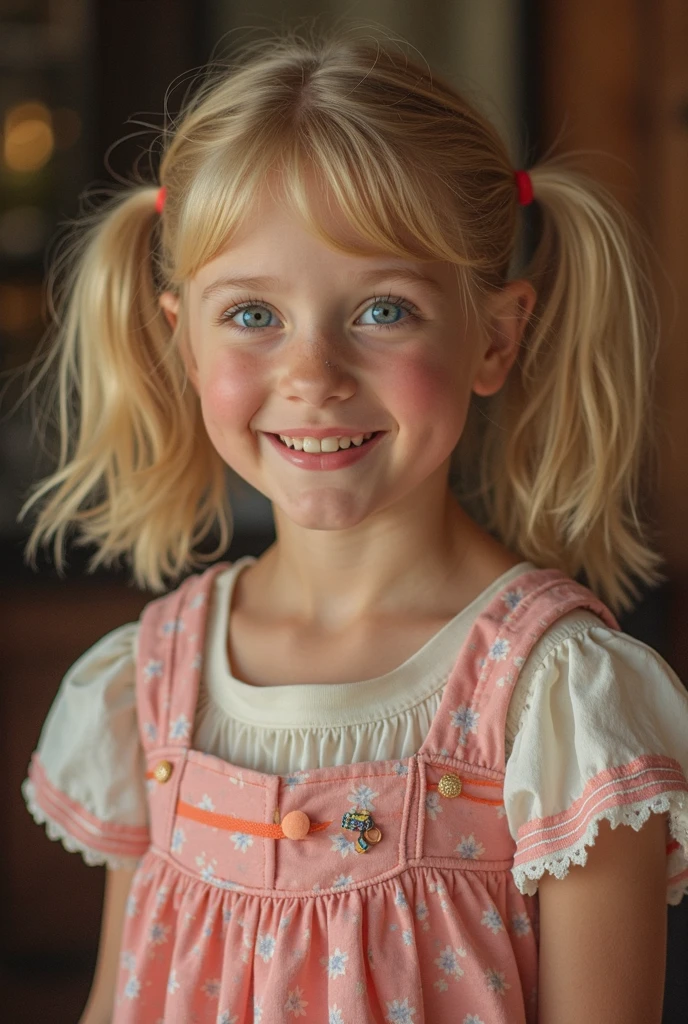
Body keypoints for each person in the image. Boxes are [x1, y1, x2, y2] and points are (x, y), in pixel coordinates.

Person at [19, 29, 688, 1024]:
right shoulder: (146, 685)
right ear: (180, 343)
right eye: (253, 315)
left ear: (494, 337)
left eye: (382, 308)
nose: (314, 374)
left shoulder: (559, 700)